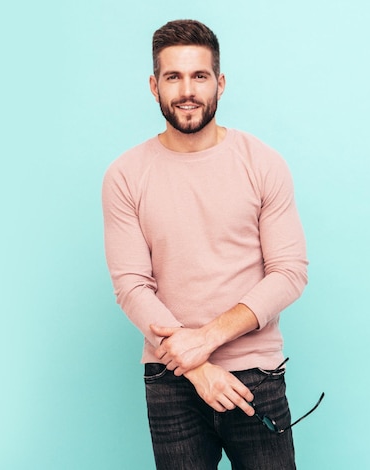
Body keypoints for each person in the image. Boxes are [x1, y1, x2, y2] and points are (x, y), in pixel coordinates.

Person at [102, 19, 309, 469]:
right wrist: (194, 364)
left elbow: (289, 273)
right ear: (154, 86)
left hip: (256, 376)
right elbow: (132, 286)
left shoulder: (263, 163)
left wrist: (208, 338)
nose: (187, 90)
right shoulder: (125, 175)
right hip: (170, 378)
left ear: (220, 82)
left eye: (199, 76)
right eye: (173, 77)